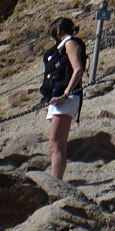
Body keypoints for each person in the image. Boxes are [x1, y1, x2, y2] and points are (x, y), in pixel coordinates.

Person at [35, 17, 86, 181]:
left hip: (66, 98)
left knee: (55, 144)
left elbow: (78, 70)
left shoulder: (70, 44)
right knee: (56, 144)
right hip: (60, 98)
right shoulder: (63, 46)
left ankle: (56, 181)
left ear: (57, 31)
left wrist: (66, 93)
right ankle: (57, 179)